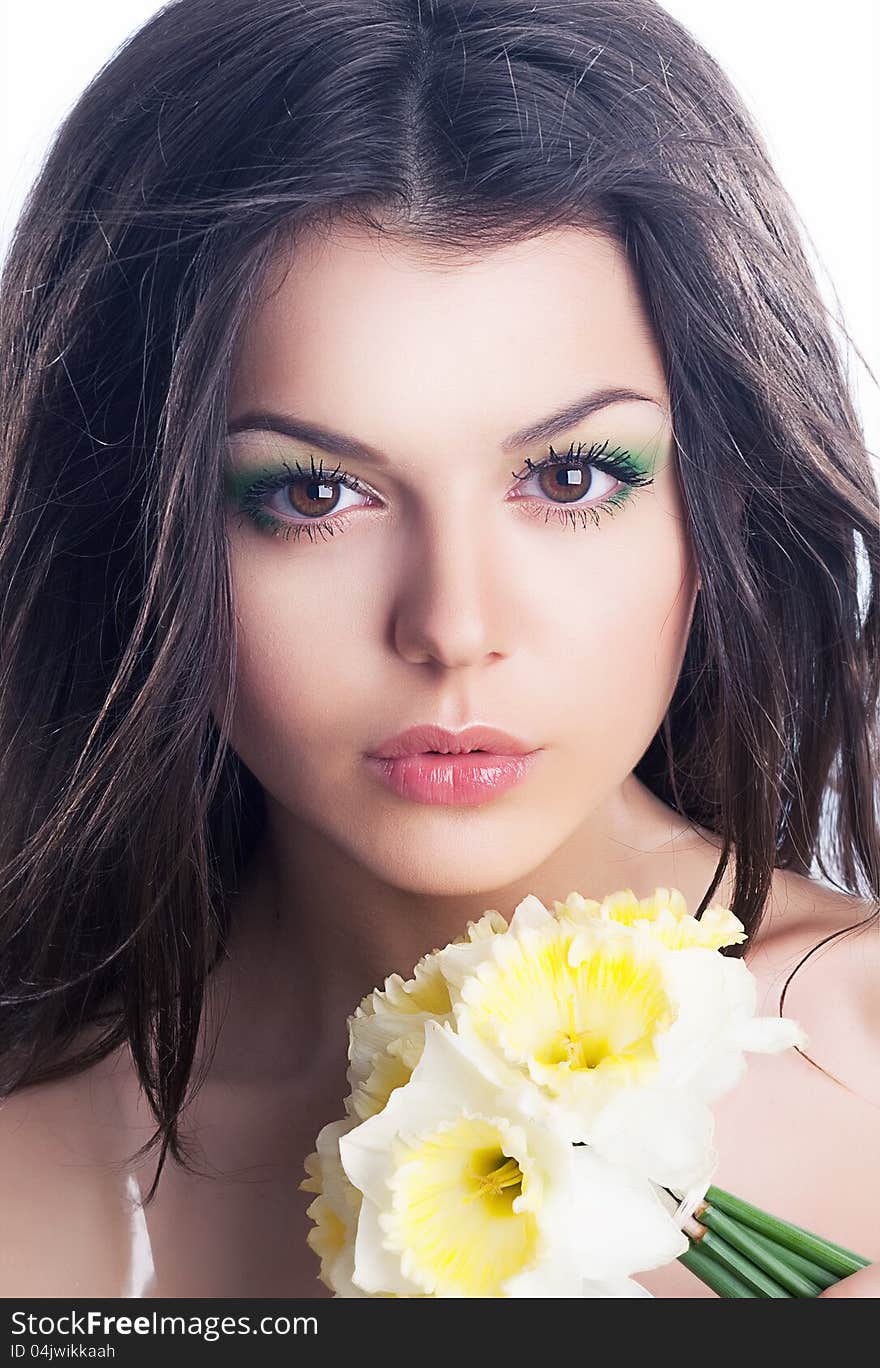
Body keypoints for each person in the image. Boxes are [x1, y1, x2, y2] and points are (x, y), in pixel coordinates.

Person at [0, 0, 877, 1299]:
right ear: (135, 526)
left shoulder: (861, 1056)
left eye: (572, 476)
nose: (454, 627)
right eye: (313, 496)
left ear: (722, 496)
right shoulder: (37, 1131)